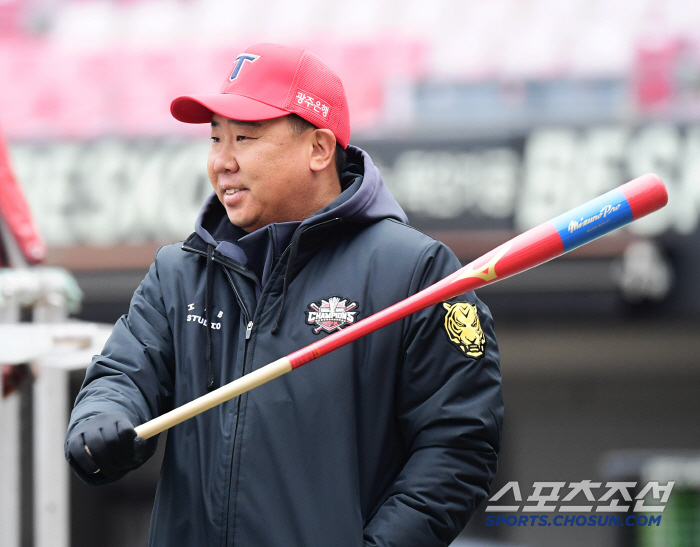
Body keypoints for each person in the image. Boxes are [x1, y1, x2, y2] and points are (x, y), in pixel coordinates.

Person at [65, 43, 503, 547]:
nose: (222, 162)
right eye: (215, 139)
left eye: (245, 138)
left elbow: (458, 446)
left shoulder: (414, 271)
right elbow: (121, 376)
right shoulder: (179, 271)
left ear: (318, 149)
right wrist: (101, 422)